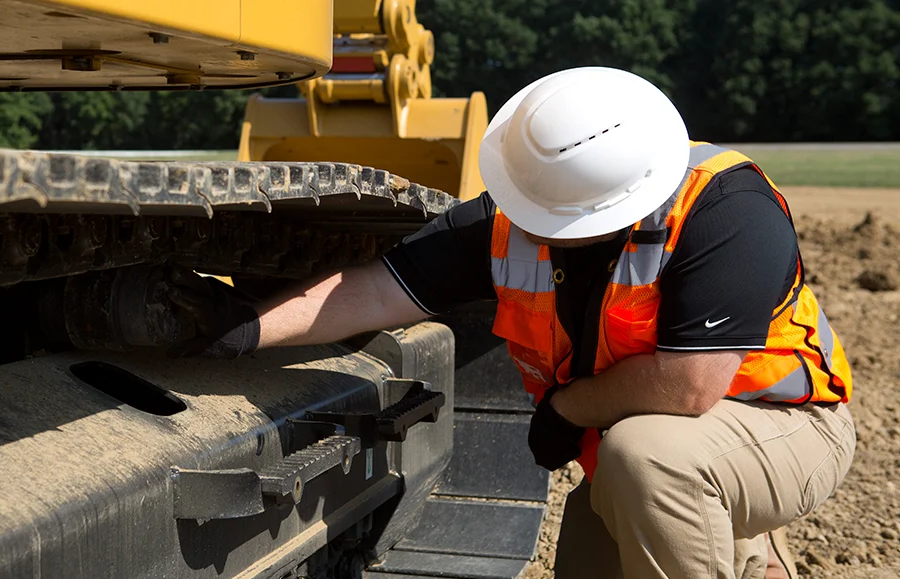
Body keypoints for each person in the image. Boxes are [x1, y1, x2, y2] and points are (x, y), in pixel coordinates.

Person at [164, 66, 857, 579]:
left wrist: (567, 405)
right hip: (642, 448)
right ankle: (746, 555)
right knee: (600, 533)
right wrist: (247, 325)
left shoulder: (726, 208)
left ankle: (746, 544)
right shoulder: (517, 213)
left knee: (649, 462)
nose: (533, 227)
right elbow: (378, 290)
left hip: (787, 423)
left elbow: (692, 386)